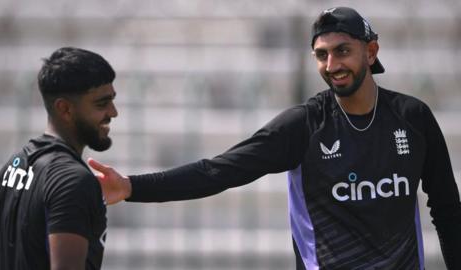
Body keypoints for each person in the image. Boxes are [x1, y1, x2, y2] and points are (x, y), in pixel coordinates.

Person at [88, 7, 461, 270]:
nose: (332, 66)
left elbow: (447, 209)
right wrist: (131, 187)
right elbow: (218, 171)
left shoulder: (412, 118)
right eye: (322, 55)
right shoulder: (304, 125)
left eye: (343, 51)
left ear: (372, 51)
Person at [0, 47, 118, 270]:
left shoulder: (14, 165)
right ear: (65, 109)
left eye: (112, 100)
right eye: (101, 103)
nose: (113, 112)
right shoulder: (72, 180)